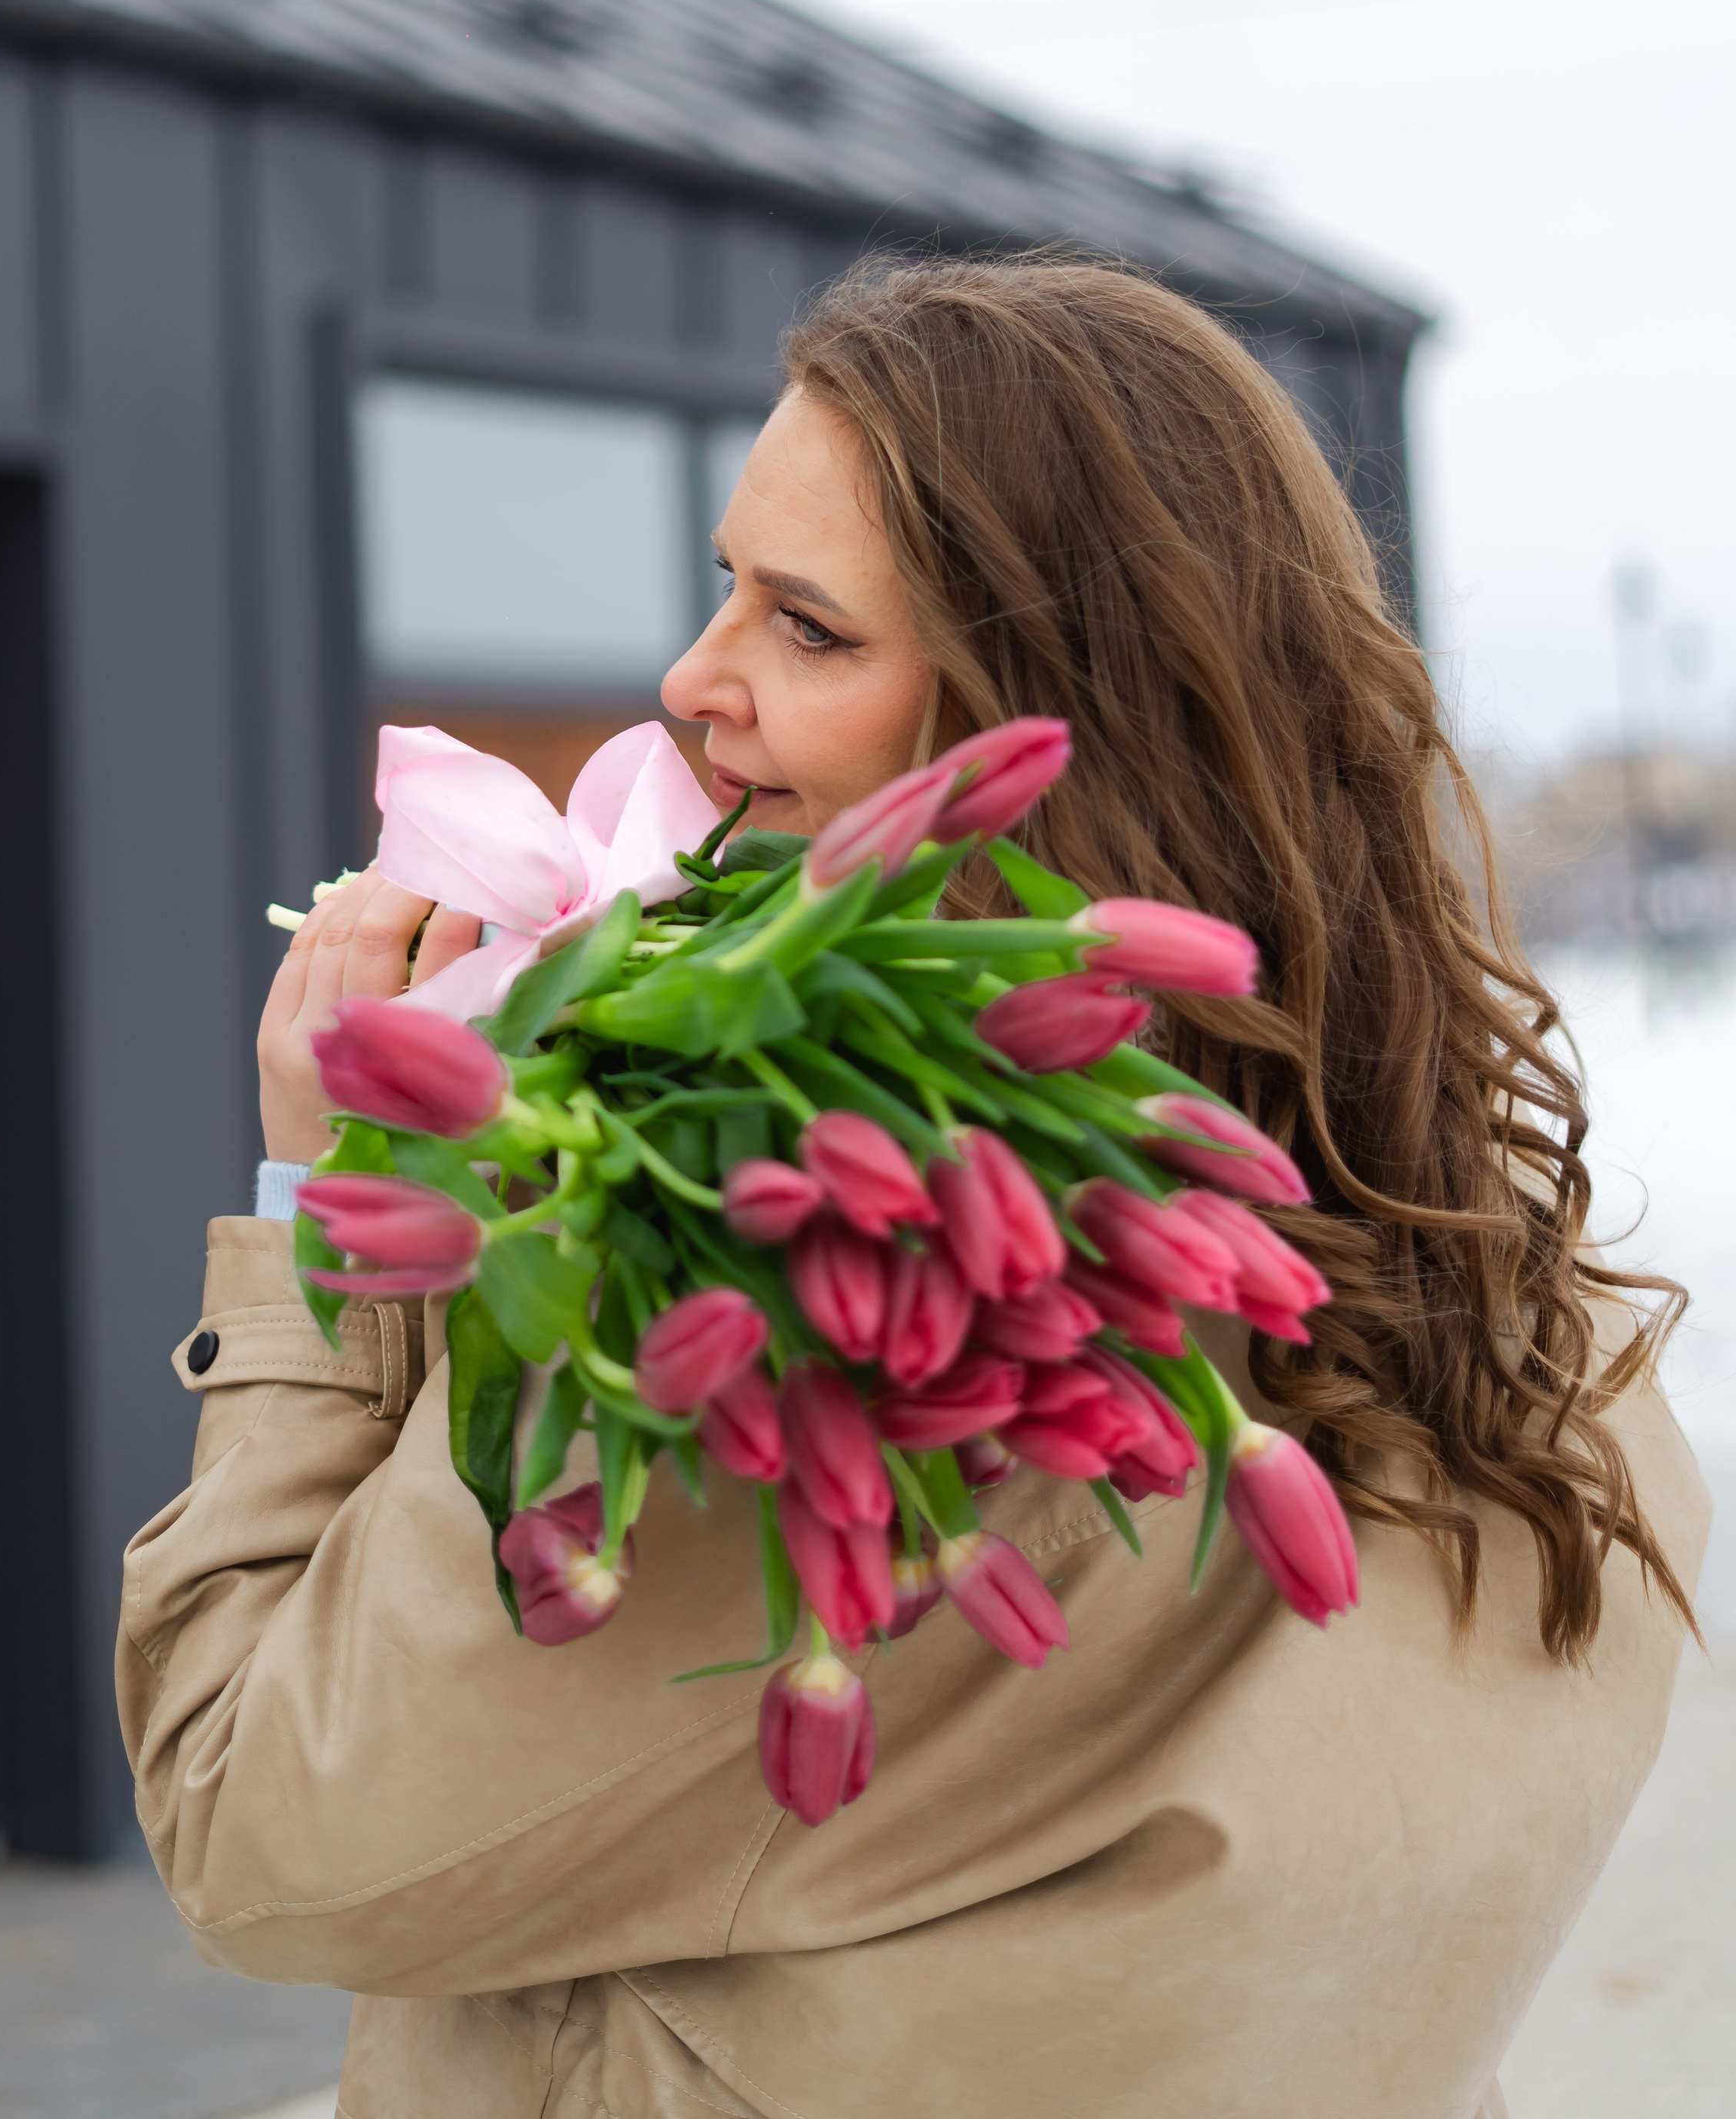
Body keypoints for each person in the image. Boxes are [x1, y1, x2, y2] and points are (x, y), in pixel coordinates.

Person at [118, 256, 1707, 2119]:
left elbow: (256, 1824)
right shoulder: (1507, 1286)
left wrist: (331, 1206)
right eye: (727, 584)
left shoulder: (814, 1334)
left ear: (1057, 727)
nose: (690, 680)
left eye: (805, 626)